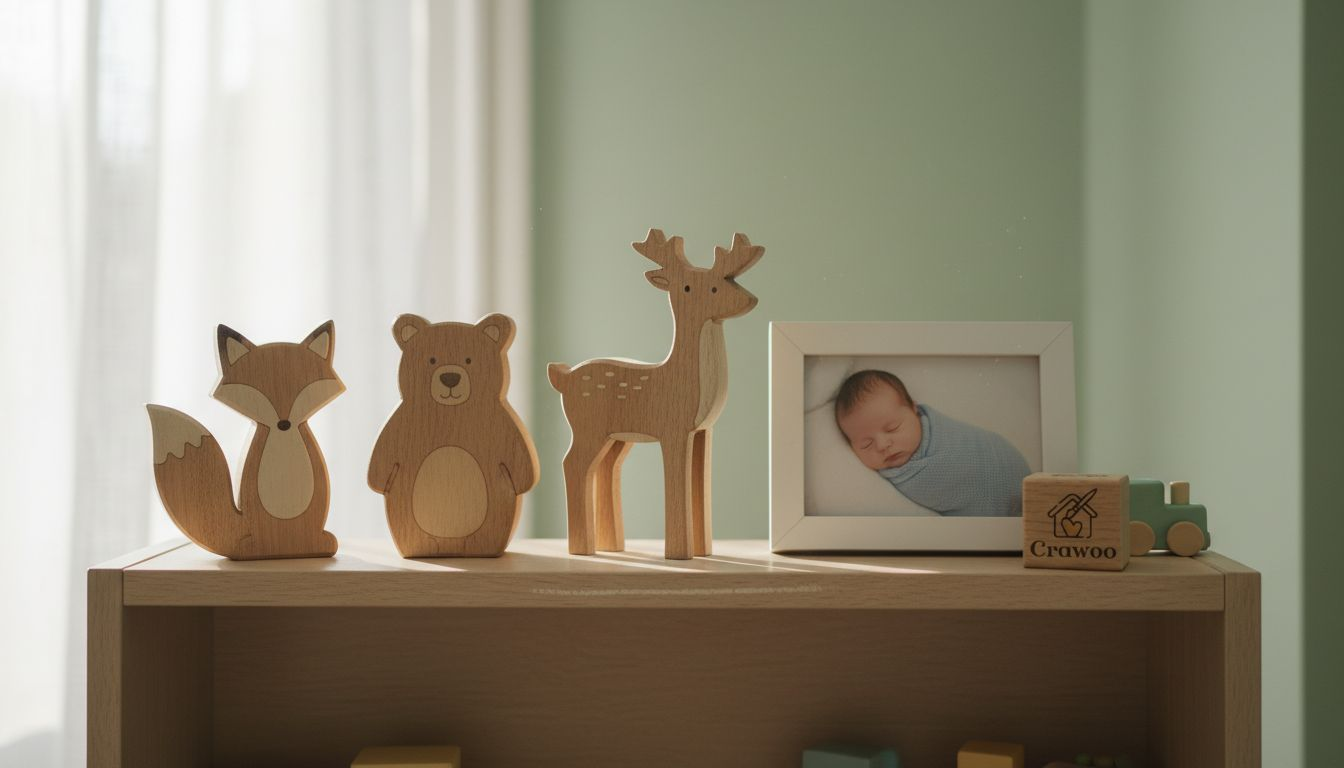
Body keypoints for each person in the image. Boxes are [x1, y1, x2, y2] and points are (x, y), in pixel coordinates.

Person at [834, 370, 1030, 517]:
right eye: (867, 444)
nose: (883, 445)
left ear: (914, 410)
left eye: (893, 428)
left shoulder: (942, 434)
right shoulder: (879, 483)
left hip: (1005, 466)